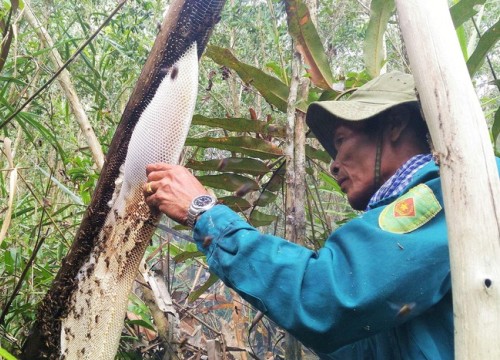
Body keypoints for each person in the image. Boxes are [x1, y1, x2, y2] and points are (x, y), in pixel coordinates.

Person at [142, 71, 498, 359]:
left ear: (394, 125)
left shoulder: (454, 196)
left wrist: (205, 213)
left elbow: (329, 294)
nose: (333, 164)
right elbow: (359, 343)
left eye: (341, 140)